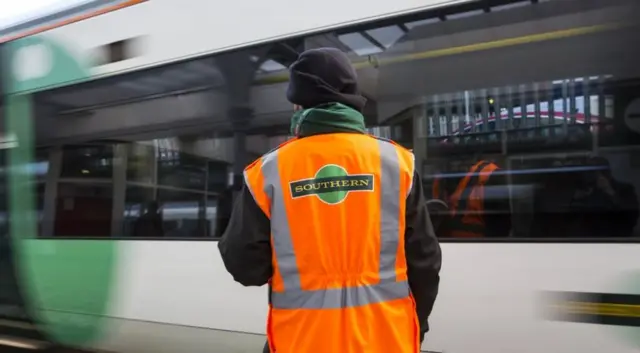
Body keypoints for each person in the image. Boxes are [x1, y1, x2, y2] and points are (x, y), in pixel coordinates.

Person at [218, 47, 441, 353]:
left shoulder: (268, 172)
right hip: (387, 339)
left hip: (301, 341)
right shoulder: (398, 164)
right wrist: (417, 325)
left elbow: (245, 267)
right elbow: (425, 261)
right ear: (352, 95)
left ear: (298, 103)